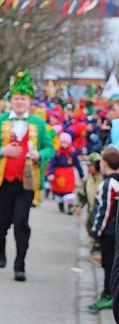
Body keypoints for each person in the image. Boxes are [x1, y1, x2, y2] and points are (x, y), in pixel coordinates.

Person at [0, 70, 55, 282]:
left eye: (24, 99)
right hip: (2, 181)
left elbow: (51, 149)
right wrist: (1, 151)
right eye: (17, 98)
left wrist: (39, 154)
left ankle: (20, 264)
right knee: (2, 222)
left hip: (26, 182)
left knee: (21, 223)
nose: (20, 102)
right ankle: (0, 245)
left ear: (30, 102)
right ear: (11, 101)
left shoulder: (39, 124)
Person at [90, 148, 119, 312]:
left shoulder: (108, 184)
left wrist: (96, 232)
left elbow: (104, 211)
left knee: (108, 264)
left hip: (108, 232)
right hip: (113, 231)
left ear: (104, 163)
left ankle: (108, 294)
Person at [74, 153, 104, 261]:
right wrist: (78, 206)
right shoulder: (89, 179)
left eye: (91, 165)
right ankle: (95, 244)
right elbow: (83, 194)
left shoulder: (104, 179)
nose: (89, 168)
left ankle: (99, 247)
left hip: (103, 210)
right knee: (90, 226)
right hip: (92, 210)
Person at [47, 132, 84, 214]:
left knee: (69, 191)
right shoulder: (56, 153)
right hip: (58, 174)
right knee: (58, 192)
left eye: (65, 142)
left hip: (69, 174)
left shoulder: (72, 153)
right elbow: (52, 164)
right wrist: (50, 173)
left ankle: (70, 207)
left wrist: (81, 174)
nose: (64, 144)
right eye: (62, 142)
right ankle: (61, 204)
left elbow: (77, 164)